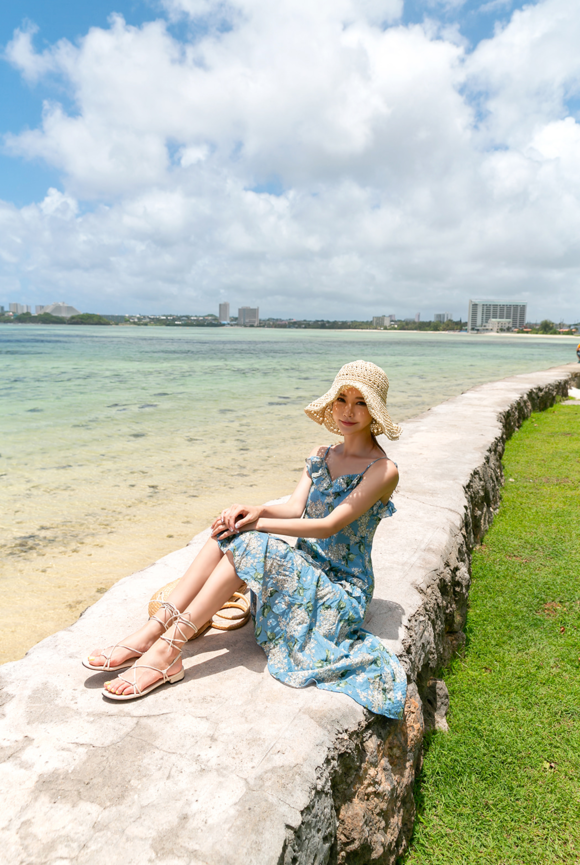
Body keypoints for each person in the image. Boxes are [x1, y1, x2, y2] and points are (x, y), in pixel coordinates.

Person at [83, 360, 408, 718]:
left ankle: (167, 652)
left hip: (340, 592)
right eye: (341, 399)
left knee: (251, 538)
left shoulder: (382, 469)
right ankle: (151, 631)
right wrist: (250, 511)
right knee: (229, 526)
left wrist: (259, 526)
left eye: (360, 402)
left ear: (374, 409)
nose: (348, 410)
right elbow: (294, 508)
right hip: (305, 571)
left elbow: (328, 525)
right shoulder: (323, 454)